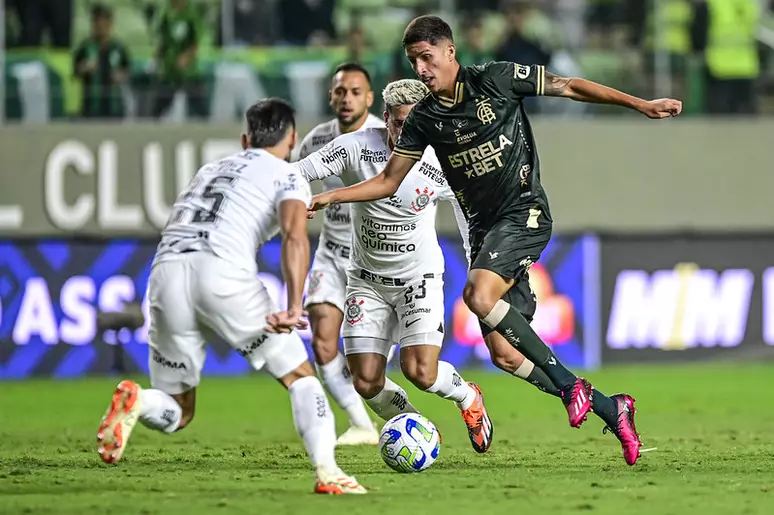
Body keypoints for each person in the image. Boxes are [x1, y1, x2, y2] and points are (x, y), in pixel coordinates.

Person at [309, 15, 683, 466]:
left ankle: (570, 387)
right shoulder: (424, 118)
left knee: (477, 294)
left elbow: (569, 86)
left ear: (450, 52)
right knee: (506, 355)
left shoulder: (497, 79)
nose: (422, 69)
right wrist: (331, 194)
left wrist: (640, 104)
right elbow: (389, 180)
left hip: (523, 212)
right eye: (413, 62)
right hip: (488, 231)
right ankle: (612, 408)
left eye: (427, 57)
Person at [96, 99, 366, 495]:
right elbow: (294, 236)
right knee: (301, 378)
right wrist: (293, 306)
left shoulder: (210, 169)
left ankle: (137, 402)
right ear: (292, 139)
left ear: (246, 139)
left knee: (178, 409)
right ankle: (328, 472)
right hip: (222, 273)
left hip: (165, 272)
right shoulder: (288, 174)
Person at [294, 79, 493, 453]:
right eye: (400, 123)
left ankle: (468, 397)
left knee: (421, 372)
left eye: (417, 122)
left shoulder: (444, 158)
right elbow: (300, 172)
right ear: (385, 118)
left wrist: (476, 264)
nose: (408, 131)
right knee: (366, 381)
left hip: (418, 278)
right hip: (366, 282)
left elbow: (471, 213)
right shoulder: (355, 147)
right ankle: (418, 430)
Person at [292, 62, 385, 446]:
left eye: (355, 92)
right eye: (340, 91)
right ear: (331, 96)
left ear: (369, 97)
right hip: (332, 255)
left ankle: (402, 416)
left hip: (379, 259)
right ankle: (362, 424)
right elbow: (292, 185)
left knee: (371, 364)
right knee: (323, 340)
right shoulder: (316, 140)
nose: (346, 99)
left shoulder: (386, 137)